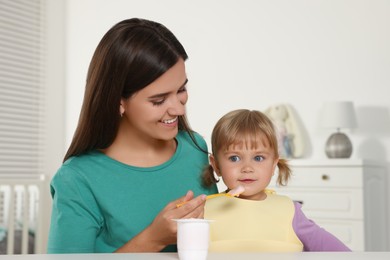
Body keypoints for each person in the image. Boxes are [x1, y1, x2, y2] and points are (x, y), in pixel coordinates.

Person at [47, 18, 218, 253]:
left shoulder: (195, 147)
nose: (178, 109)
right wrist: (153, 239)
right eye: (158, 100)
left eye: (181, 90)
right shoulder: (77, 180)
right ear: (119, 101)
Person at [202, 109, 351, 252]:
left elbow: (341, 253)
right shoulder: (202, 212)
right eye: (234, 158)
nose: (247, 168)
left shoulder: (290, 212)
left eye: (258, 158)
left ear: (273, 164)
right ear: (216, 165)